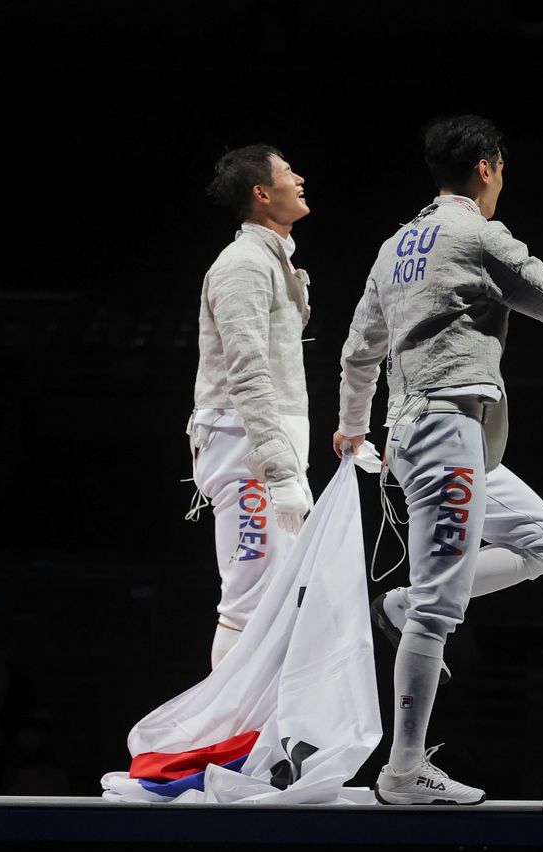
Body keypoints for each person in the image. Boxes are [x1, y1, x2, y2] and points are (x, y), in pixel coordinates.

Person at [333, 115, 543, 805]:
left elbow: (360, 349)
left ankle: (407, 604)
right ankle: (403, 772)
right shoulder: (476, 234)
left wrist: (354, 428)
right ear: (486, 167)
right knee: (439, 614)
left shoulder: (395, 245)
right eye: (501, 168)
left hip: (438, 436)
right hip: (443, 435)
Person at [190, 145, 314, 669]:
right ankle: (227, 744)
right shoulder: (241, 264)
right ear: (262, 193)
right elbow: (246, 369)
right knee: (247, 602)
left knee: (278, 600)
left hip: (266, 446)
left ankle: (259, 736)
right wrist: (279, 468)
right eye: (289, 172)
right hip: (246, 447)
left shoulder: (273, 259)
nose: (300, 178)